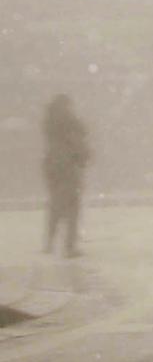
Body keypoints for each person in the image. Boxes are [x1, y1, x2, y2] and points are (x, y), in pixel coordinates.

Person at [42, 94, 90, 258]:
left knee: (56, 204)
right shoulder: (71, 123)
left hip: (53, 167)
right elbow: (78, 145)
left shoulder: (51, 124)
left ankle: (50, 241)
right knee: (72, 207)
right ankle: (70, 246)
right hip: (68, 167)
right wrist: (84, 156)